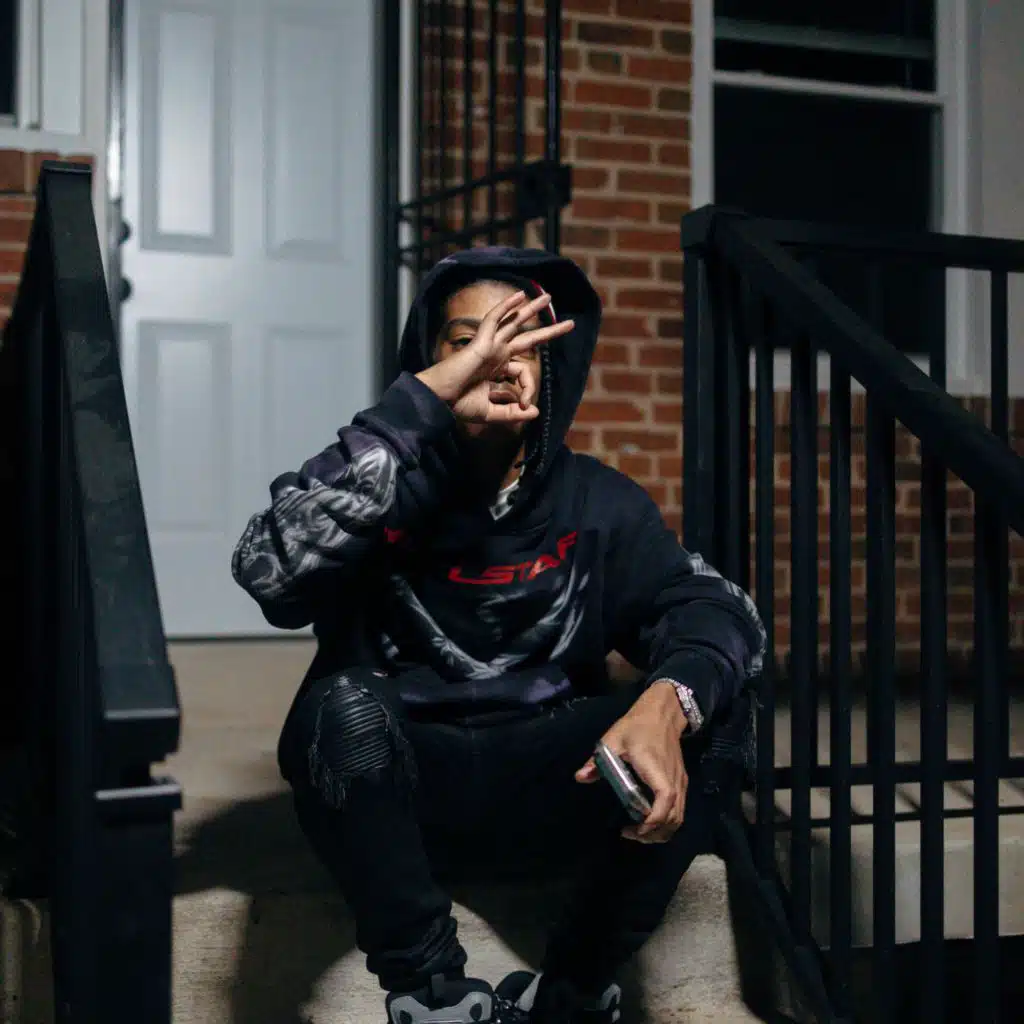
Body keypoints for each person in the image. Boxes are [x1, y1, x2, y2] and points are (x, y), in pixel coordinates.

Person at [231, 247, 766, 1024]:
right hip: (405, 797)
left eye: (522, 342)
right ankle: (434, 996)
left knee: (718, 708)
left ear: (551, 370)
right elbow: (270, 569)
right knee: (338, 709)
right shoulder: (380, 491)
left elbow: (719, 611)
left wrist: (667, 702)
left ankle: (573, 989)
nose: (498, 359)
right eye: (468, 341)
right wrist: (415, 411)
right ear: (431, 366)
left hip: (556, 785)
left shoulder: (599, 502)